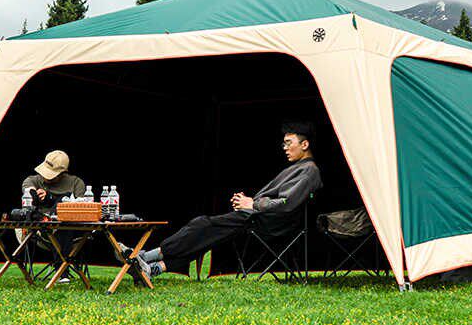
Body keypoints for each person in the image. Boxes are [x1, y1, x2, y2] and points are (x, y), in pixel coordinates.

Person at [129, 121, 321, 278]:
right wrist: (247, 202)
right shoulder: (298, 167)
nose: (285, 148)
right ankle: (153, 269)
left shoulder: (308, 171)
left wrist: (252, 204)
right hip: (260, 218)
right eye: (284, 143)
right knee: (207, 235)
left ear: (304, 145)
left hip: (269, 224)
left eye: (288, 143)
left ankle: (144, 256)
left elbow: (287, 203)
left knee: (202, 224)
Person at [18, 150, 86, 282]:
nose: (45, 176)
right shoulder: (34, 180)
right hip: (41, 231)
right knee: (54, 224)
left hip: (68, 229)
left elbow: (80, 208)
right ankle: (62, 271)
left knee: (64, 208)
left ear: (62, 173)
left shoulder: (76, 183)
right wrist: (36, 195)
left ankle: (61, 270)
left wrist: (52, 198)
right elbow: (28, 188)